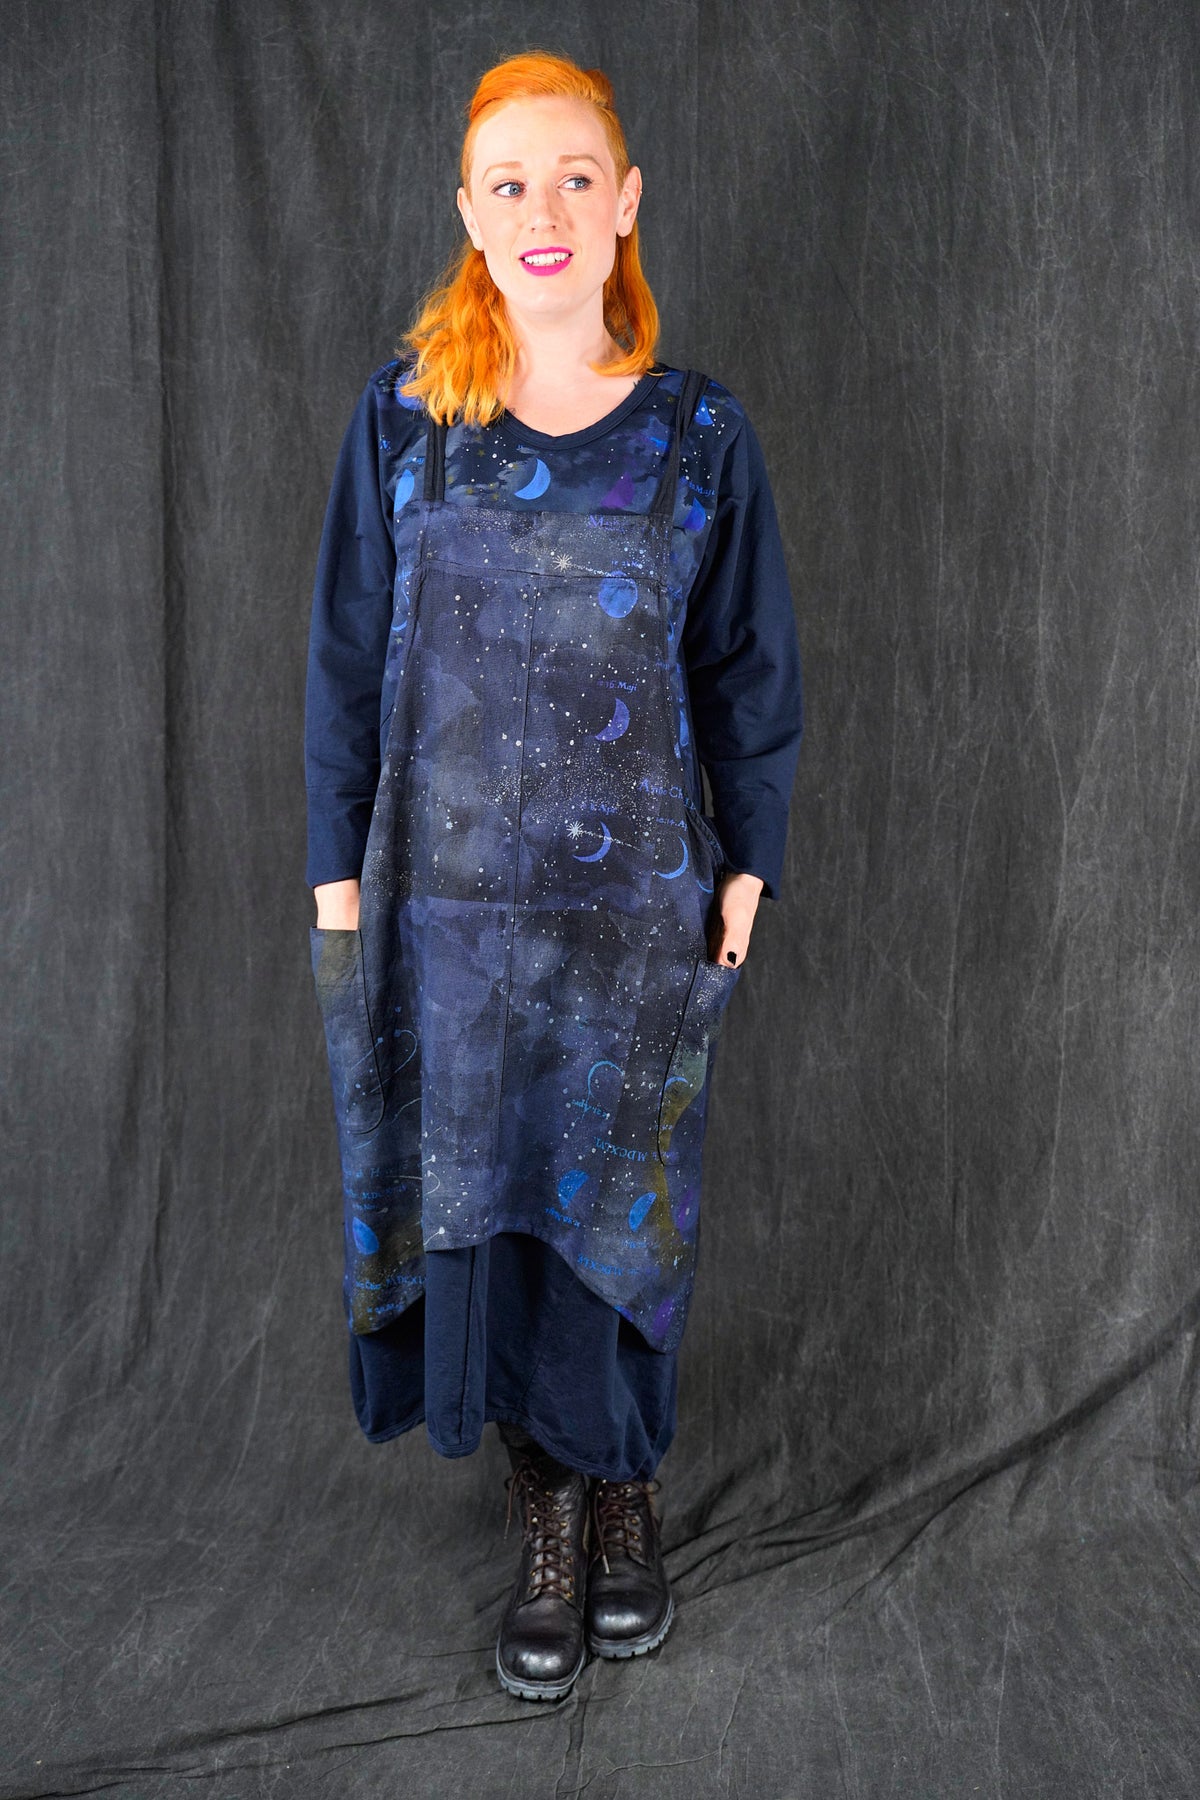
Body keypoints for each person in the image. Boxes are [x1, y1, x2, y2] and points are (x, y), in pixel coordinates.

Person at [303, 50, 804, 1702]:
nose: (546, 209)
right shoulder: (408, 421)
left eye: (577, 177)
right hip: (442, 924)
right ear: (469, 212)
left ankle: (625, 1491)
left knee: (624, 1208)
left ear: (627, 201)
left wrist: (752, 862)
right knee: (491, 1204)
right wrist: (334, 882)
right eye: (511, 182)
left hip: (636, 918)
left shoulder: (700, 435)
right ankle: (543, 1505)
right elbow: (345, 662)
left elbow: (747, 669)